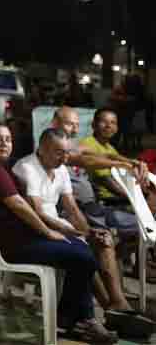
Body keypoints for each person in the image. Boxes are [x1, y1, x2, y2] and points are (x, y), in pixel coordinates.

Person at [0, 123, 120, 342]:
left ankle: (75, 317)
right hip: (13, 246)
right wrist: (46, 232)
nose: (5, 144)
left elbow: (67, 208)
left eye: (8, 139)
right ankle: (81, 320)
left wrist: (78, 233)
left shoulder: (1, 168)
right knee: (82, 255)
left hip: (21, 238)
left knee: (81, 250)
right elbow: (19, 205)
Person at [13, 128, 149, 328]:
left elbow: (72, 209)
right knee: (84, 251)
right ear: (41, 149)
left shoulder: (60, 169)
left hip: (61, 227)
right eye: (59, 152)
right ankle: (113, 312)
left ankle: (119, 304)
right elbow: (37, 213)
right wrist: (80, 234)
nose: (64, 157)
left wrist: (89, 232)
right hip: (37, 230)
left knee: (104, 240)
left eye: (67, 152)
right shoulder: (28, 167)